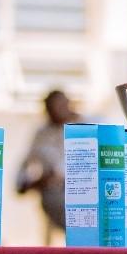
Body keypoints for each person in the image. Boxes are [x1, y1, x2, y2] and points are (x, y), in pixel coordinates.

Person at [16, 89, 81, 241]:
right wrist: (32, 182)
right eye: (54, 107)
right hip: (53, 193)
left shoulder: (86, 127)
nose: (59, 110)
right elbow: (26, 165)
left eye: (62, 105)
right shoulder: (42, 134)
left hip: (81, 189)